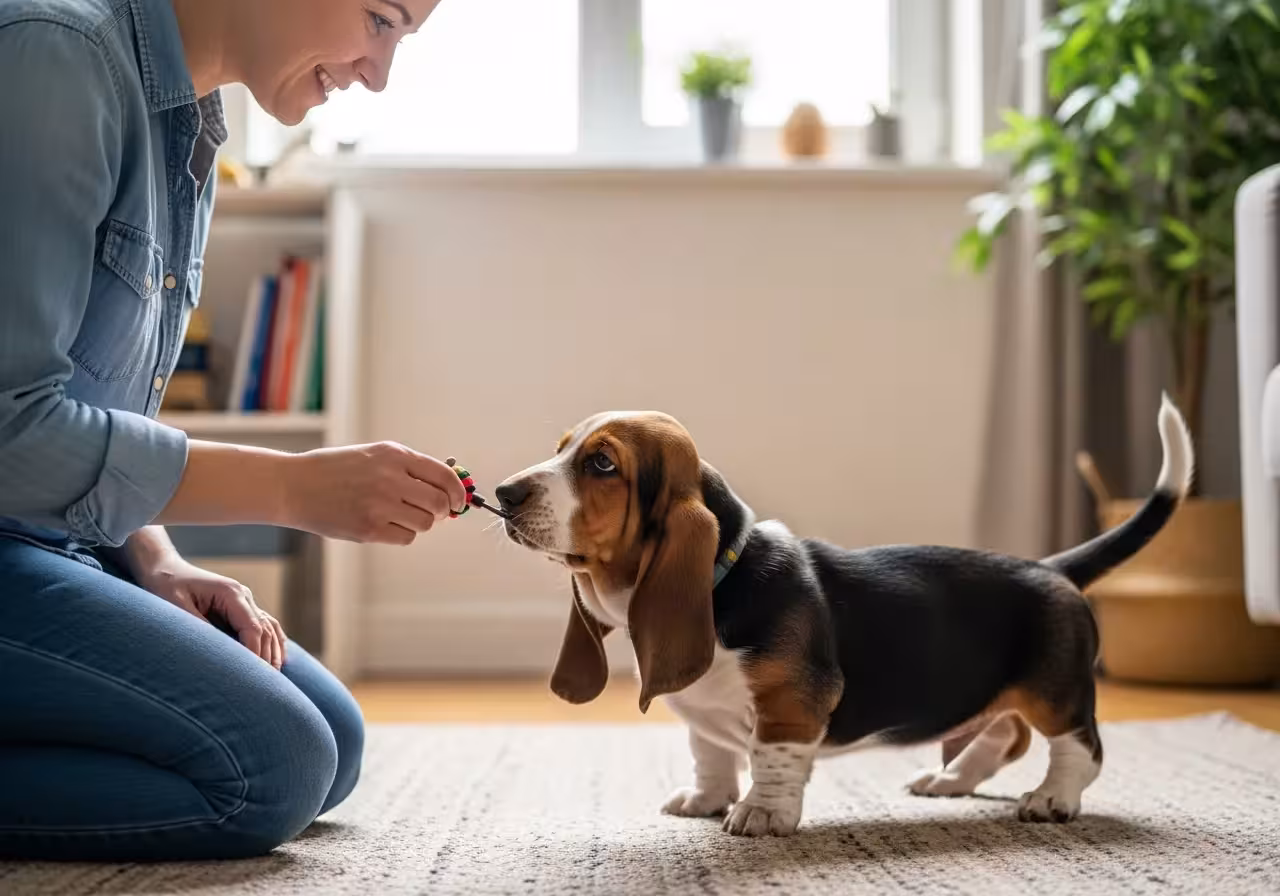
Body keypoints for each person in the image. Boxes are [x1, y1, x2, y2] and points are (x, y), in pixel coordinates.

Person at [0, 0, 454, 861]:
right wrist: (290, 487)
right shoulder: (54, 60)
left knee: (332, 741)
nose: (378, 71)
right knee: (272, 767)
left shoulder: (189, 126)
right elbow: (9, 433)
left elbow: (93, 402)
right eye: (380, 18)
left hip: (43, 539)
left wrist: (156, 559)